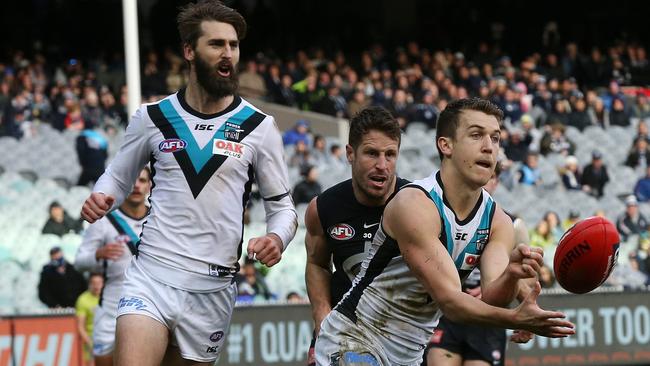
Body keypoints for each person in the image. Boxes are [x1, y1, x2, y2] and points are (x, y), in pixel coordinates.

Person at [79, 2, 298, 365]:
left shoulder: (259, 127)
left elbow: (282, 206)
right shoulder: (152, 117)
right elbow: (118, 175)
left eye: (233, 45)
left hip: (212, 291)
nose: (228, 53)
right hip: (151, 274)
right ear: (189, 51)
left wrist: (277, 237)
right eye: (216, 44)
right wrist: (103, 195)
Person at [315, 98, 574, 365]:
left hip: (408, 355)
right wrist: (515, 319)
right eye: (476, 135)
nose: (489, 147)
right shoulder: (414, 204)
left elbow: (493, 297)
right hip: (354, 336)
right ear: (445, 145)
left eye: (495, 138)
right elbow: (450, 301)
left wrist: (511, 276)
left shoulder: (498, 221)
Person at [305, 106, 409, 366]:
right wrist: (321, 318)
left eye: (390, 155)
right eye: (372, 153)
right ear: (350, 153)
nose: (382, 166)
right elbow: (317, 264)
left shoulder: (418, 205)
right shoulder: (323, 208)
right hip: (345, 331)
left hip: (404, 334)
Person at [424, 162, 532, 366]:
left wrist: (499, 289)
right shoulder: (441, 215)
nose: (485, 182)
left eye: (491, 177)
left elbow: (527, 277)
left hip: (487, 318)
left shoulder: (512, 224)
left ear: (496, 182)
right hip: (449, 312)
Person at [74, 168, 151, 366]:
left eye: (142, 180)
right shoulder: (104, 220)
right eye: (133, 180)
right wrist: (98, 255)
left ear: (150, 185)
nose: (137, 185)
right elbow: (79, 261)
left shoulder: (158, 219)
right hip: (110, 309)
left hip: (150, 306)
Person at [76, 272, 104, 366]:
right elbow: (80, 327)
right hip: (92, 340)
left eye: (99, 283)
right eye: (94, 283)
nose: (97, 286)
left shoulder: (109, 298)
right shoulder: (83, 300)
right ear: (89, 284)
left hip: (109, 338)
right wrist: (90, 343)